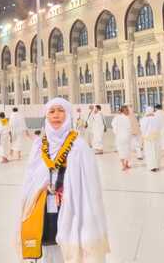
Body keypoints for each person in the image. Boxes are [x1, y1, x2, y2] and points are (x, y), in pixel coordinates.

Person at [19, 97, 110, 262]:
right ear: (46, 116)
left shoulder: (79, 146)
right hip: (43, 207)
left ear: (68, 115)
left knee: (68, 250)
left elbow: (90, 187)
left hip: (73, 208)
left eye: (61, 111)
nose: (56, 115)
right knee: (48, 248)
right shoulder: (39, 145)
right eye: (52, 111)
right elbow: (30, 179)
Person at [112, 105, 132, 170]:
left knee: (121, 150)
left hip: (119, 136)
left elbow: (113, 125)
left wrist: (116, 133)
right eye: (127, 110)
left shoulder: (117, 117)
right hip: (126, 136)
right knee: (127, 150)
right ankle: (125, 164)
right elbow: (129, 128)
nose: (128, 111)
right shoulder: (127, 118)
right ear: (124, 111)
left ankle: (124, 165)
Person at [140, 107, 161, 172]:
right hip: (156, 137)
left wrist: (143, 136)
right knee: (156, 151)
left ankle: (152, 166)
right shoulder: (157, 118)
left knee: (150, 152)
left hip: (148, 138)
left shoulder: (144, 119)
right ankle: (157, 166)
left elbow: (142, 129)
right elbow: (159, 127)